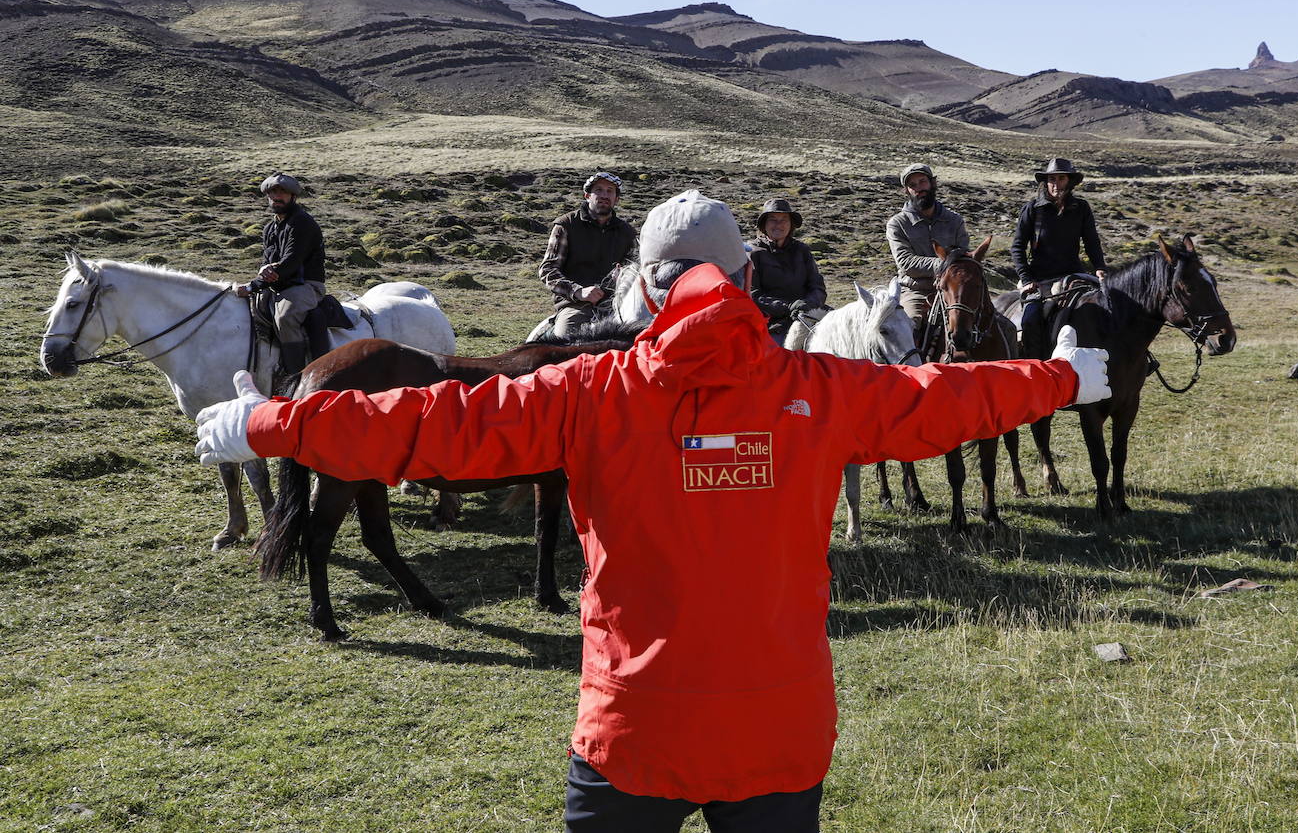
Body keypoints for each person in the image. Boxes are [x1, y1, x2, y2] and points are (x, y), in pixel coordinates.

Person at [196, 190, 1109, 832]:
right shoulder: (821, 389)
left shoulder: (587, 391)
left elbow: (431, 423)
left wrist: (274, 422)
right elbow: (948, 398)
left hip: (633, 729)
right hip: (781, 729)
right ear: (746, 274)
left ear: (645, 284)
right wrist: (1060, 378)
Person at [1010, 158, 1109, 359]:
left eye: (1061, 178)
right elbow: (1017, 247)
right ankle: (1034, 363)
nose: (1055, 183)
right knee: (1030, 319)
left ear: (1069, 181)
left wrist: (1099, 267)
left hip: (1073, 274)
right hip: (1039, 279)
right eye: (1051, 179)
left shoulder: (1081, 208)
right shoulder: (1033, 209)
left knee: (1108, 307)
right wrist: (1027, 279)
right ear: (1045, 182)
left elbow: (1091, 242)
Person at [234, 172, 325, 375]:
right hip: (276, 285)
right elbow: (268, 264)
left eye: (282, 192)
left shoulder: (302, 223)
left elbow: (290, 264)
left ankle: (297, 375)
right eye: (272, 193)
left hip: (305, 286)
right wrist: (263, 276)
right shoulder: (269, 228)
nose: (277, 197)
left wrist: (252, 286)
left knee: (285, 317)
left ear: (293, 196)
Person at [538, 171, 637, 337]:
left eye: (610, 191)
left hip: (617, 306)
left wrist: (624, 276)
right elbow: (548, 270)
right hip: (576, 306)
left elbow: (637, 270)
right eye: (598, 190)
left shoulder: (627, 233)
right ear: (587, 195)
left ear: (616, 199)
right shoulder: (566, 225)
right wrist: (578, 291)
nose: (604, 195)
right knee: (566, 345)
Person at [885, 162, 970, 340]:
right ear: (906, 191)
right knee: (909, 327)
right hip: (916, 291)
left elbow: (964, 258)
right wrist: (945, 263)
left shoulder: (954, 221)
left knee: (992, 322)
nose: (919, 188)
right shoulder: (898, 224)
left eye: (922, 182)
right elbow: (906, 263)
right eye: (912, 185)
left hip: (953, 290)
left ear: (933, 183)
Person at [748, 198, 826, 345]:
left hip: (807, 315)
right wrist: (788, 307)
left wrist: (807, 305)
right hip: (771, 323)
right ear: (764, 224)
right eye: (773, 220)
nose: (778, 224)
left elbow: (818, 287)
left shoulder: (802, 250)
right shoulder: (753, 253)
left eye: (784, 219)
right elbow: (753, 295)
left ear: (791, 225)